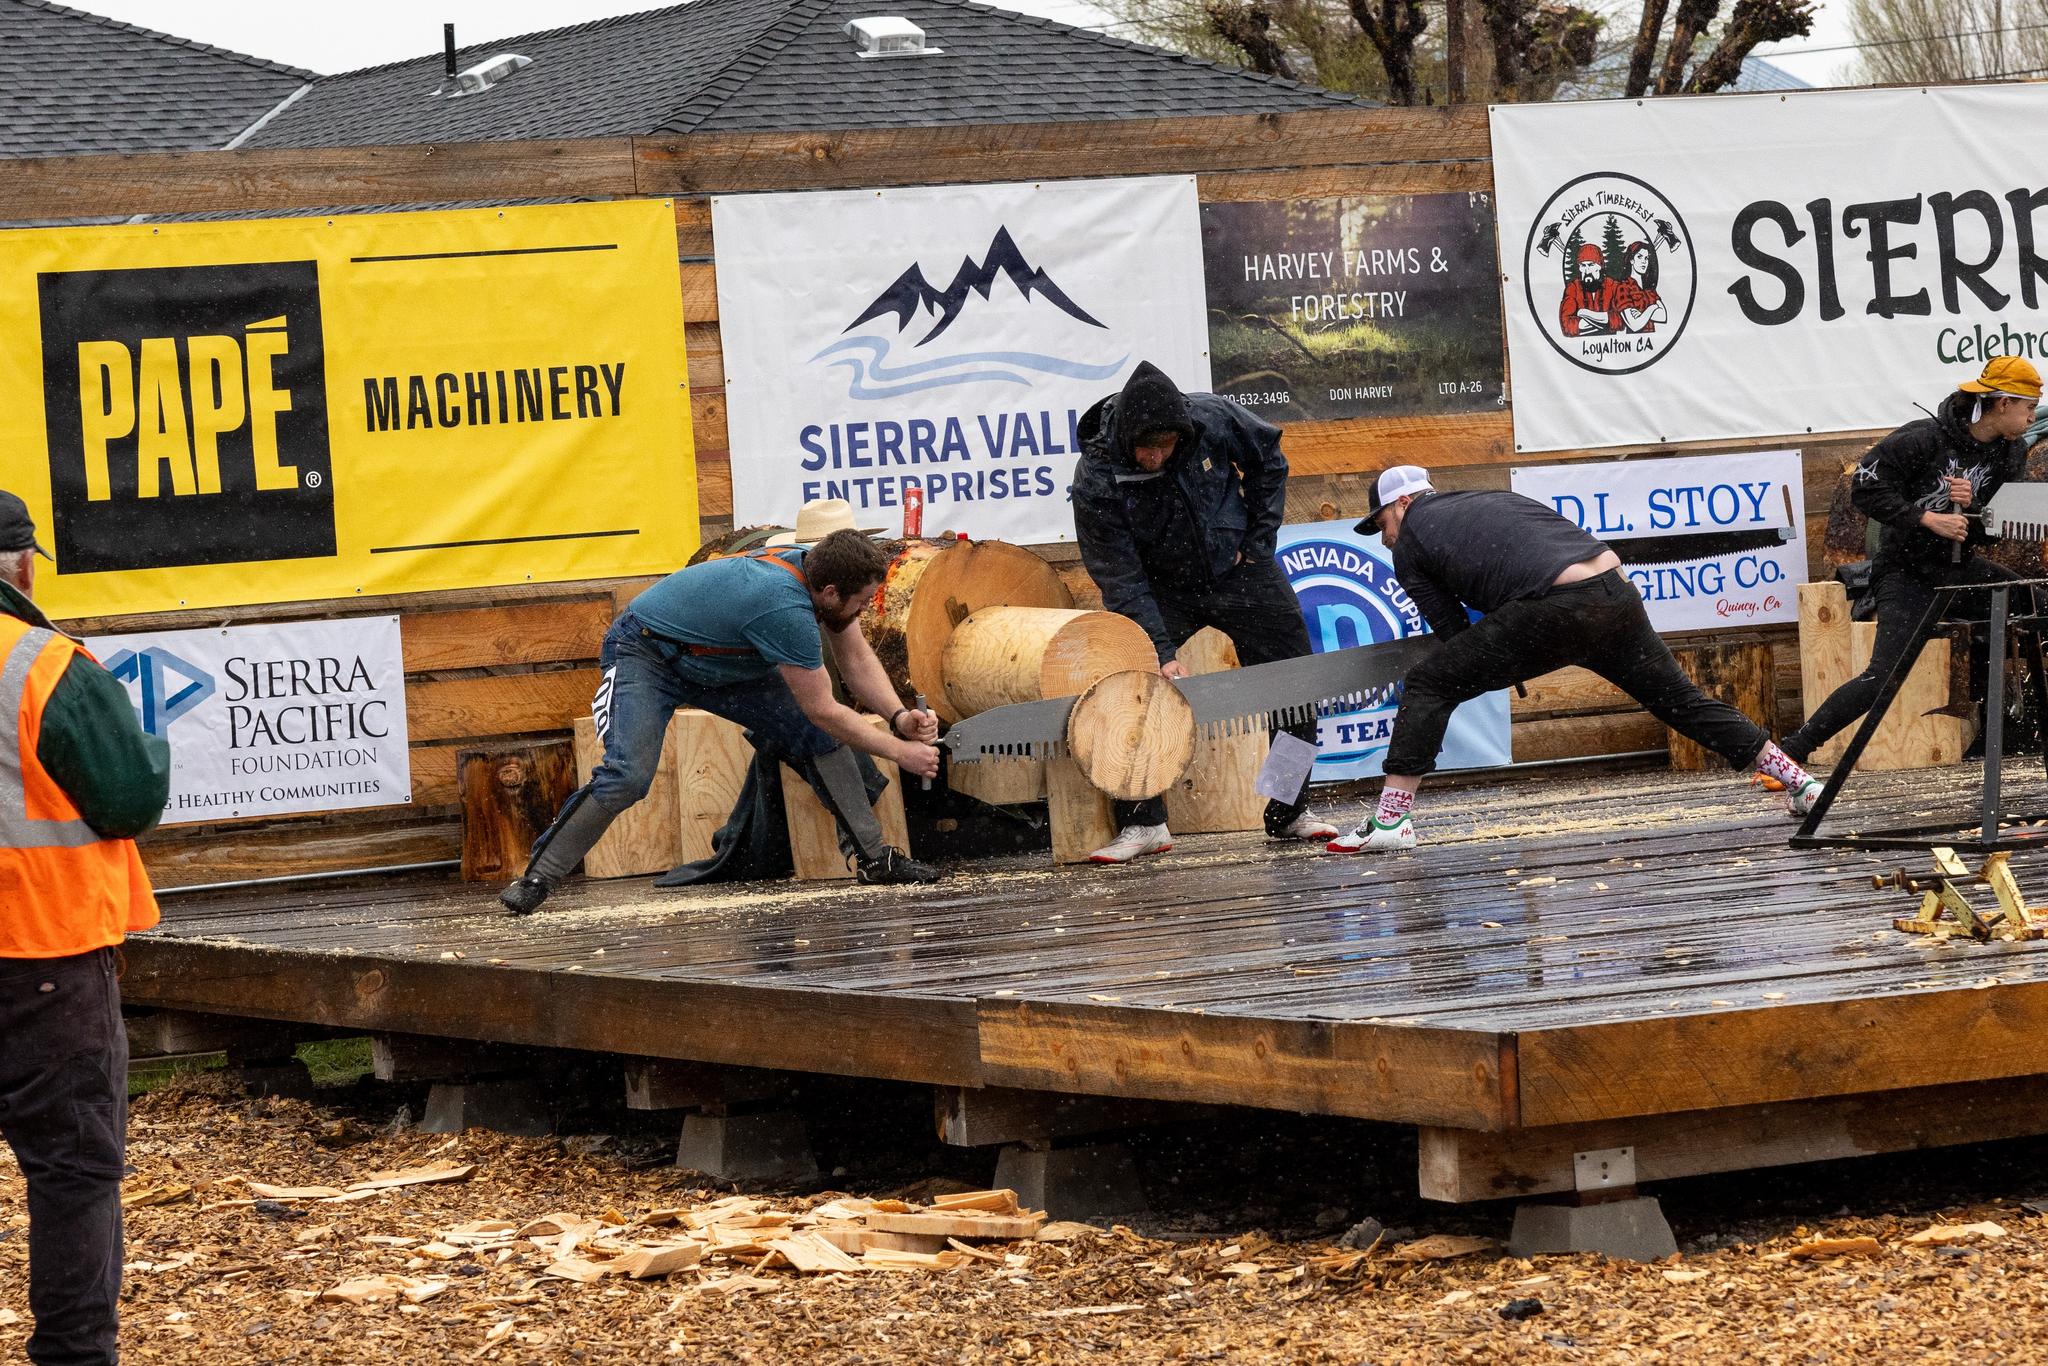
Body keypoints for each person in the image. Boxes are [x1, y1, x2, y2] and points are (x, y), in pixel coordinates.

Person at [1329, 467, 1821, 852]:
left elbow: (1450, 627)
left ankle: (1392, 819)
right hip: (1614, 592)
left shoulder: (1413, 537)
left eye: (1382, 523)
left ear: (1404, 503)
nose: (1385, 537)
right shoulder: (1491, 498)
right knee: (1681, 701)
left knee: (1428, 685)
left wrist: (1485, 663)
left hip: (1555, 607)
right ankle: (1800, 782)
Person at [501, 527, 941, 914]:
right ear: (829, 592)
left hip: (719, 662)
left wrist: (898, 716)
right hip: (648, 654)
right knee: (627, 776)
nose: (863, 610)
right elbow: (823, 708)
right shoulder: (784, 608)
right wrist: (901, 752)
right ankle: (537, 879)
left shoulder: (818, 577)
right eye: (862, 602)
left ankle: (874, 860)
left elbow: (857, 658)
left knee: (813, 737)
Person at [0, 489, 170, 1365]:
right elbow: (129, 797)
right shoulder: (41, 662)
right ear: (20, 564)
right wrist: (152, 744)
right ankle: (74, 1356)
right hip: (43, 956)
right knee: (72, 1172)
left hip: (41, 951)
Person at [1070, 361, 1340, 863]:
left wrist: (1257, 543)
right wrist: (1161, 650)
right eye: (1146, 448)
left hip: (1239, 569)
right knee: (1132, 683)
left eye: (1166, 446)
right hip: (1160, 589)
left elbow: (1269, 461)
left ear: (1182, 433)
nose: (1155, 456)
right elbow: (1119, 576)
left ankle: (1288, 808)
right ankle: (1143, 822)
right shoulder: (1096, 478)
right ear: (1126, 437)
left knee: (1295, 684)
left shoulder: (1213, 418)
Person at [1780, 356, 2042, 766]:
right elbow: (1865, 492)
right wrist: (1926, 518)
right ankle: (1791, 750)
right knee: (1882, 678)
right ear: (2003, 403)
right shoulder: (1922, 439)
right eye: (2028, 407)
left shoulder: (2012, 452)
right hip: (1907, 571)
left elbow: (1992, 530)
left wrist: (1972, 510)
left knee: (2038, 611)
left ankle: (2009, 735)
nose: (2032, 417)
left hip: (1959, 568)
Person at [1559, 242, 1620, 336]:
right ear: (1579, 268)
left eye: (1591, 265)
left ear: (1599, 266)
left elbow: (1620, 320)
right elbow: (1566, 324)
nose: (1587, 271)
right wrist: (1605, 320)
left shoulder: (1613, 286)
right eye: (1583, 266)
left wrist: (1584, 313)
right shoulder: (1573, 288)